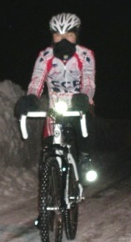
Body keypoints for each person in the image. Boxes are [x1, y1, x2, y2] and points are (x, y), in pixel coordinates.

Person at [15, 12, 96, 181]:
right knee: (48, 146)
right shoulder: (45, 56)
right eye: (59, 35)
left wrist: (85, 97)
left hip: (78, 106)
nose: (64, 39)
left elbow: (89, 82)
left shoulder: (85, 55)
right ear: (53, 37)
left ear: (76, 36)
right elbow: (37, 80)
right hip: (55, 108)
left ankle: (85, 160)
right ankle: (51, 180)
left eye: (69, 34)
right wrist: (30, 98)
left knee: (86, 130)